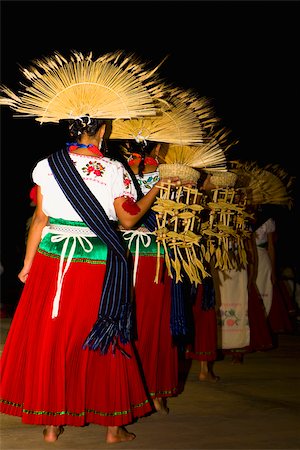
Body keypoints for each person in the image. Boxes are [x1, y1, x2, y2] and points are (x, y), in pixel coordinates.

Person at [0, 50, 176, 444]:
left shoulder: (48, 164)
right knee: (106, 334)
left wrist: (27, 264)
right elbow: (129, 220)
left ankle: (50, 425)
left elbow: (40, 220)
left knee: (55, 336)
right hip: (98, 261)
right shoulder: (114, 170)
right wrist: (156, 191)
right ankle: (113, 428)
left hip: (52, 258)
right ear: (104, 131)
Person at [107, 139, 180, 414]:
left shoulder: (116, 169)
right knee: (154, 322)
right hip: (153, 254)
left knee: (129, 320)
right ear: (159, 148)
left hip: (124, 251)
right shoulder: (170, 174)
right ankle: (154, 391)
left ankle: (130, 389)